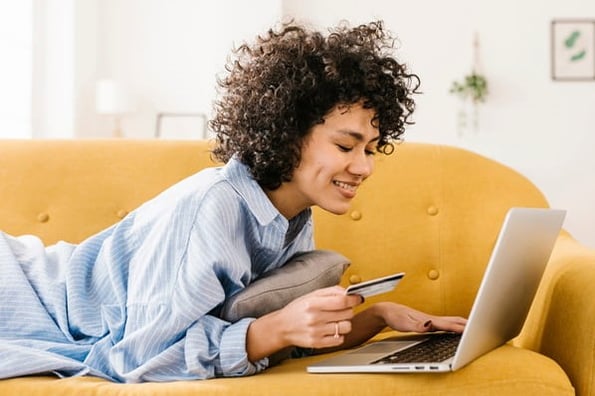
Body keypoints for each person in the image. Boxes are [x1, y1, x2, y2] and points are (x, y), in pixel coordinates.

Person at [0, 20, 466, 383]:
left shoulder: (291, 216)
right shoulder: (215, 206)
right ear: (287, 134)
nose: (364, 167)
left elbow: (273, 339)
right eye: (346, 146)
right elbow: (135, 362)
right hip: (20, 292)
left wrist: (378, 318)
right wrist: (275, 329)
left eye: (370, 148)